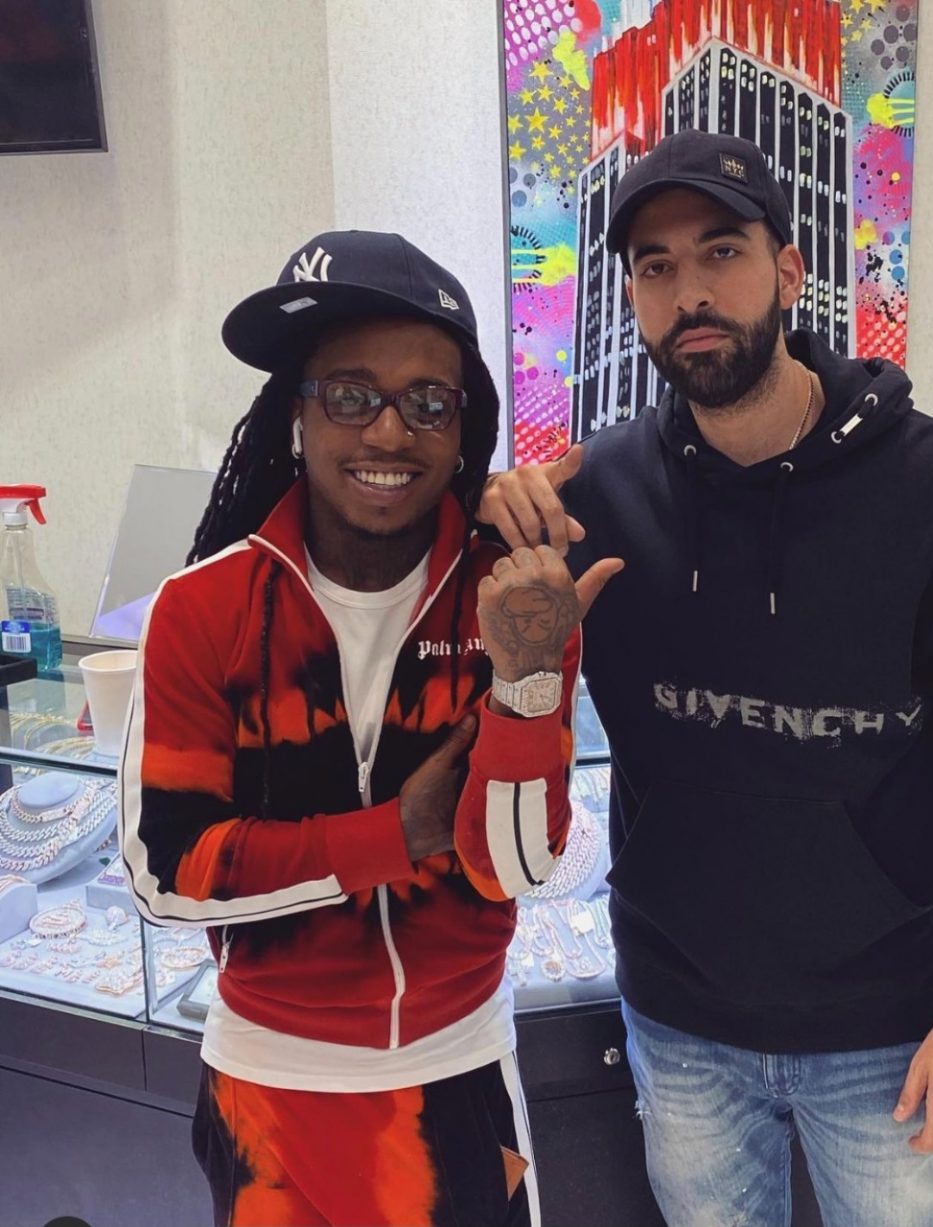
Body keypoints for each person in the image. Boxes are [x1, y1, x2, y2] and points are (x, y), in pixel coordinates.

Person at [478, 130, 933, 1227]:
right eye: (656, 266)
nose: (690, 292)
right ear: (634, 298)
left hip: (891, 1032)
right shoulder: (597, 493)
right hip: (679, 1027)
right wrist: (485, 530)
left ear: (790, 270)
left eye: (721, 252)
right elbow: (465, 682)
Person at [119, 229, 620, 1227]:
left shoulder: (512, 597)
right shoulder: (203, 607)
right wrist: (395, 835)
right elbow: (165, 873)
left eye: (428, 402)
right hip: (266, 1091)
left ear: (462, 428)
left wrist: (525, 680)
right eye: (350, 395)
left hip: (457, 1077)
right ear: (296, 414)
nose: (388, 433)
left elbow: (518, 868)